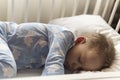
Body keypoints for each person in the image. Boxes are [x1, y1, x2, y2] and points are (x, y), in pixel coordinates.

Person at [0, 21, 115, 78]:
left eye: (80, 68)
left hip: (4, 50)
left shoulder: (63, 64)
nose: (74, 66)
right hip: (3, 34)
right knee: (8, 70)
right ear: (80, 41)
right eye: (79, 58)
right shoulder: (65, 36)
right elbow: (54, 62)